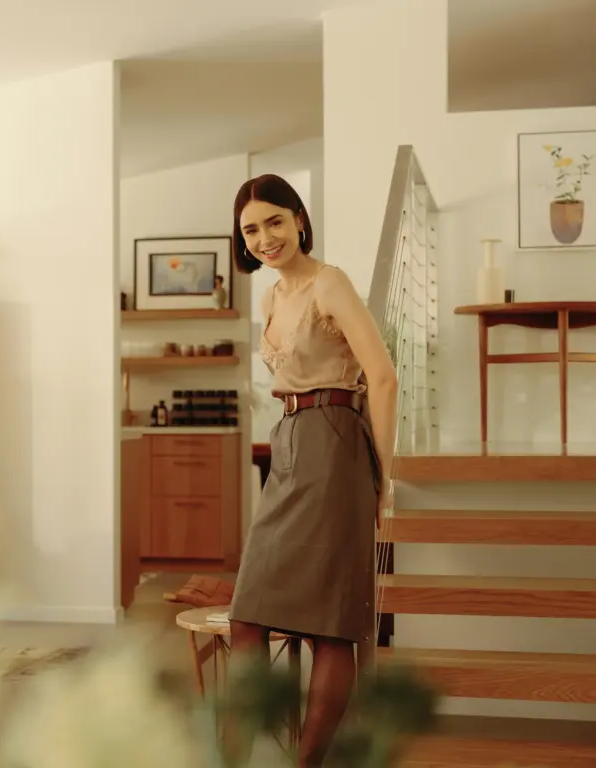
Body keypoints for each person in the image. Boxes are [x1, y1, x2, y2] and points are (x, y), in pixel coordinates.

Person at [225, 174, 397, 767]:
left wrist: (384, 475)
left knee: (329, 625)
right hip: (290, 439)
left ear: (299, 218)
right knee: (247, 616)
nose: (265, 237)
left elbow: (383, 375)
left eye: (275, 221)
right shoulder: (271, 296)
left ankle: (306, 763)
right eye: (252, 229)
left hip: (335, 440)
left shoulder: (332, 283)